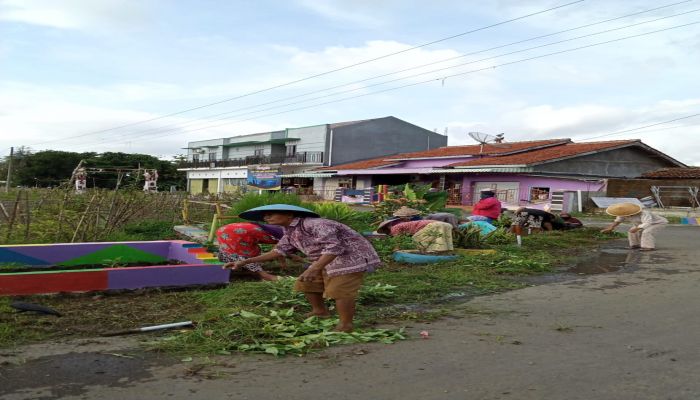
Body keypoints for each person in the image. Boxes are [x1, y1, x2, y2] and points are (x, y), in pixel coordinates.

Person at [225, 204, 380, 333]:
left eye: (271, 214)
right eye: (265, 216)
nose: (267, 218)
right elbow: (278, 251)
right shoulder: (289, 230)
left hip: (350, 257)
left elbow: (335, 247)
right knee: (307, 282)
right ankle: (320, 311)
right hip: (324, 258)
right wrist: (245, 261)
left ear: (289, 215)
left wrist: (313, 268)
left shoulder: (316, 224)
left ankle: (346, 325)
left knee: (340, 290)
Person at [215, 222, 285, 281]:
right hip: (239, 232)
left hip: (224, 229)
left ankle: (247, 270)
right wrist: (283, 264)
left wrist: (283, 264)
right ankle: (264, 275)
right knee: (246, 254)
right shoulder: (287, 235)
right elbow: (278, 251)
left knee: (230, 250)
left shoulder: (282, 230)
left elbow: (279, 250)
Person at [600, 202, 668, 251]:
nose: (624, 215)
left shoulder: (644, 213)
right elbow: (618, 220)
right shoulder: (623, 213)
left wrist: (637, 228)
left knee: (646, 232)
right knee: (631, 231)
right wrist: (611, 227)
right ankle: (635, 245)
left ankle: (648, 247)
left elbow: (647, 223)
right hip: (641, 224)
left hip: (657, 223)